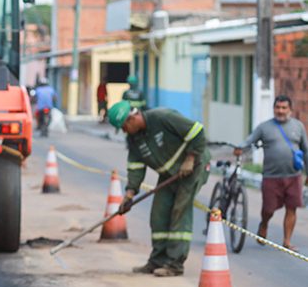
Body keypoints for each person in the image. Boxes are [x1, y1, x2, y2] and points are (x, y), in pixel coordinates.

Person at [108, 100, 210, 277]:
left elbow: (197, 131)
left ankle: (174, 264)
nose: (124, 132)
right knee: (159, 213)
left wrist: (190, 158)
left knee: (179, 210)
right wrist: (129, 194)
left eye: (124, 127)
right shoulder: (133, 139)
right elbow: (135, 168)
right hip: (170, 174)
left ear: (132, 118)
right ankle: (157, 260)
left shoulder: (162, 117)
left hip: (194, 166)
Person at [234, 95, 308, 251]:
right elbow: (250, 140)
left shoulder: (298, 126)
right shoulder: (264, 127)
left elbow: (305, 149)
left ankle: (287, 241)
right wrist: (240, 147)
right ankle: (264, 224)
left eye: (283, 108)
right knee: (268, 209)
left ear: (290, 109)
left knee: (291, 208)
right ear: (274, 109)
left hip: (293, 175)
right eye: (277, 108)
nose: (280, 111)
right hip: (271, 176)